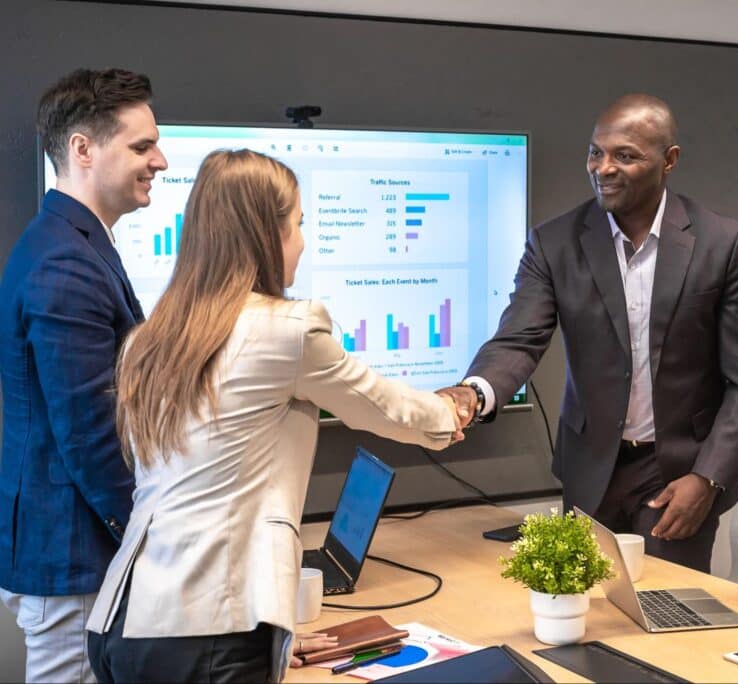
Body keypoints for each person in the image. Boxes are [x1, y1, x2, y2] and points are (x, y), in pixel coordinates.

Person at [84, 149, 462, 683]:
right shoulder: (287, 330)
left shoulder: (149, 340)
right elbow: (387, 409)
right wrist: (457, 408)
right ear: (268, 233)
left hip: (125, 623)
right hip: (208, 634)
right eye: (299, 224)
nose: (303, 241)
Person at [439, 94, 738, 571]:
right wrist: (472, 394)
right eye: (596, 152)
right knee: (587, 611)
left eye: (626, 155)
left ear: (669, 161)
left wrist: (708, 477)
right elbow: (518, 339)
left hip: (678, 473)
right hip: (591, 468)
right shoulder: (554, 242)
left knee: (664, 612)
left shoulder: (723, 244)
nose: (604, 167)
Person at [0, 68, 167, 683]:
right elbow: (90, 432)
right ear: (82, 149)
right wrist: (151, 540)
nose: (162, 160)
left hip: (73, 549)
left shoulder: (74, 243)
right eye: (142, 146)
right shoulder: (66, 262)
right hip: (72, 556)